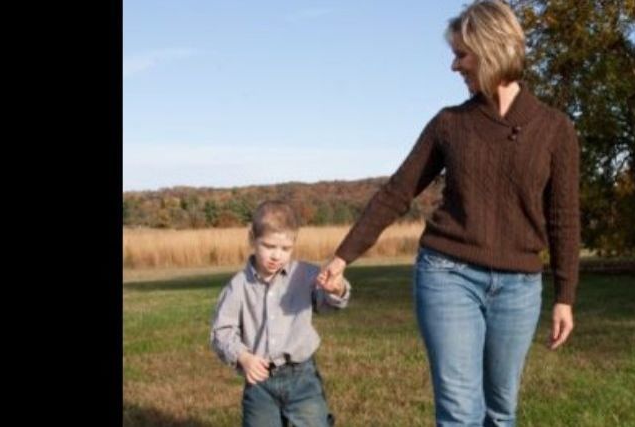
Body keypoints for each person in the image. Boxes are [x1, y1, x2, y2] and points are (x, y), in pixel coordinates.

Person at [315, 1, 581, 425]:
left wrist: (565, 297)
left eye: (461, 54)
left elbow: (564, 218)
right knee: (460, 411)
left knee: (501, 410)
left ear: (491, 49)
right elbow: (397, 192)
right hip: (447, 275)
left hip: (519, 287)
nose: (454, 67)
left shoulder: (555, 129)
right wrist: (343, 255)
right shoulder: (449, 124)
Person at [211, 200, 351, 427]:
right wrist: (243, 357)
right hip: (259, 381)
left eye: (285, 249)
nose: (277, 255)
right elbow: (222, 331)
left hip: (302, 376)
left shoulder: (306, 275)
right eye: (269, 246)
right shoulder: (237, 286)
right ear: (252, 239)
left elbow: (328, 305)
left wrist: (337, 289)